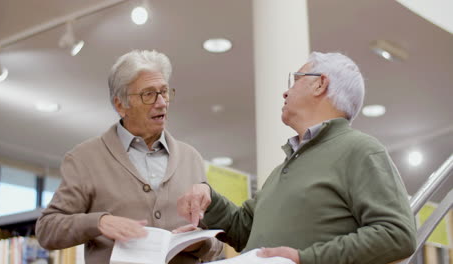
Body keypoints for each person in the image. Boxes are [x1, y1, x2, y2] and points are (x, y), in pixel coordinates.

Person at [177, 52, 417, 264]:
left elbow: (396, 234)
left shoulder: (360, 149)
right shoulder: (284, 168)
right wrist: (208, 197)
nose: (286, 91)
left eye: (296, 79)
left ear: (320, 84)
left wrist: (305, 259)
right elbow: (244, 230)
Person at [36, 50, 222, 264]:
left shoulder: (191, 158)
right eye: (148, 94)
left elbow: (215, 242)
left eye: (164, 92)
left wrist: (200, 244)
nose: (161, 102)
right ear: (120, 105)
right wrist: (99, 222)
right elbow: (47, 229)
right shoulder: (84, 159)